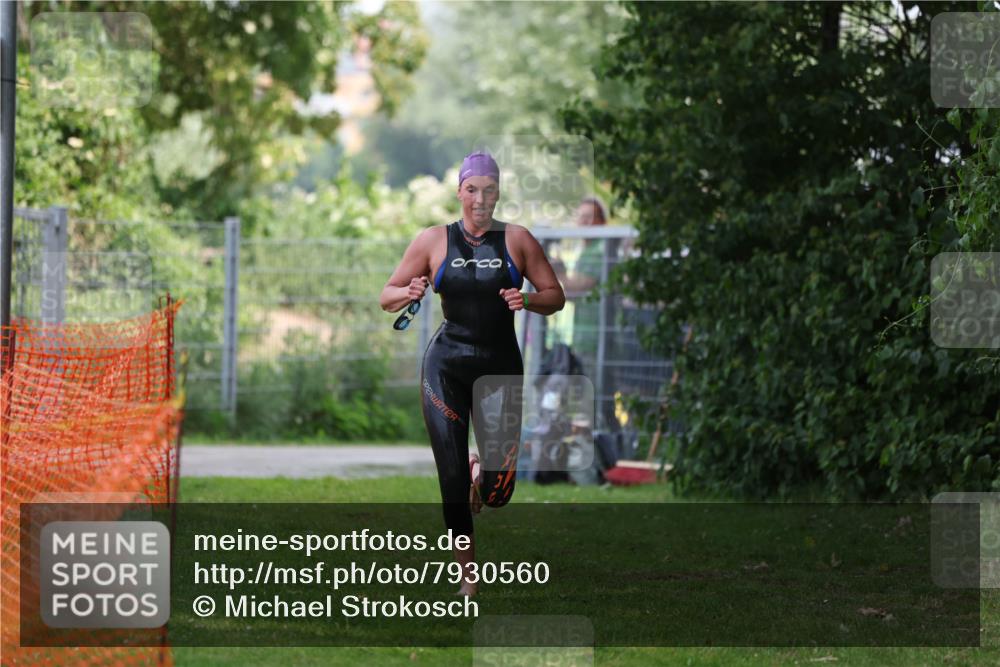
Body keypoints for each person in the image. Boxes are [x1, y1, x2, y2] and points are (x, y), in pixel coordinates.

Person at [380, 151, 565, 596]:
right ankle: (468, 576)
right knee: (450, 477)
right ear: (459, 192)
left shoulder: (518, 240)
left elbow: (554, 294)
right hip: (446, 365)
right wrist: (409, 290)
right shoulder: (433, 241)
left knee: (499, 490)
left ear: (498, 193)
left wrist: (530, 301)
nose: (480, 199)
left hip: (501, 366)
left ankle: (481, 472)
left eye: (489, 190)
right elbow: (387, 296)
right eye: (471, 189)